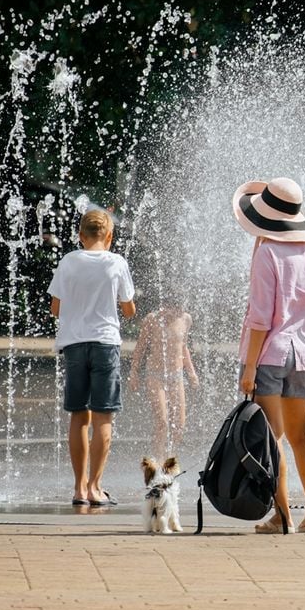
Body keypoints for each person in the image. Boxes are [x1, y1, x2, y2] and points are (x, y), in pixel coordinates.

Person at [233, 177, 305, 534]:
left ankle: (282, 516)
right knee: (301, 438)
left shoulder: (267, 253)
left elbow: (261, 317)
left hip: (272, 355)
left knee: (271, 438)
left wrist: (249, 367)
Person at [48, 209, 136, 507]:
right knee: (103, 415)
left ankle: (78, 488)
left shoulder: (68, 261)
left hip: (74, 345)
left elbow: (55, 308)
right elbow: (128, 309)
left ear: (80, 236)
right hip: (104, 344)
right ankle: (96, 487)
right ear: (109, 236)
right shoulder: (116, 263)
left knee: (78, 415)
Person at [128, 296, 199, 459]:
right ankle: (158, 463)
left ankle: (170, 460)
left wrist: (191, 372)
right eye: (173, 311)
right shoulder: (152, 319)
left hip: (176, 376)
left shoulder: (186, 319)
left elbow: (183, 346)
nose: (176, 315)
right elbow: (140, 347)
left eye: (179, 311)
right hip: (155, 375)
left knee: (180, 425)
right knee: (162, 423)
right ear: (165, 307)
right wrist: (133, 372)